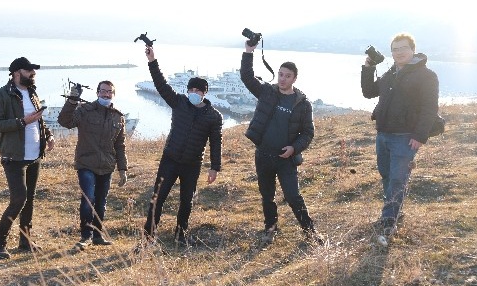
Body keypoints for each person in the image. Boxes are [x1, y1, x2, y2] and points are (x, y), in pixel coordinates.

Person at [240, 41, 323, 246]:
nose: (283, 79)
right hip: (263, 155)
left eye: (288, 76)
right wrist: (249, 52)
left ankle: (310, 231)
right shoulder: (267, 92)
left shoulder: (303, 104)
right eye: (281, 74)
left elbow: (308, 133)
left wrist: (294, 148)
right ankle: (271, 228)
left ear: (295, 78)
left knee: (293, 196)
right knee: (267, 196)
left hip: (286, 159)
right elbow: (247, 77)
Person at [361, 33, 439, 242]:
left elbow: (430, 108)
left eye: (403, 48)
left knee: (397, 178)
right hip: (383, 134)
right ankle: (395, 212)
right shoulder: (390, 74)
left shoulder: (426, 75)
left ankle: (388, 223)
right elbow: (368, 92)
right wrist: (368, 67)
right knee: (387, 176)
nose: (398, 53)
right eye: (395, 49)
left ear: (413, 50)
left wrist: (420, 135)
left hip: (405, 137)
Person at [142, 45, 222, 247]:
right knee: (157, 199)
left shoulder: (213, 116)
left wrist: (214, 167)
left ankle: (181, 235)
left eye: (198, 90)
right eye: (191, 89)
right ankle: (149, 237)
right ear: (187, 91)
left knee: (186, 201)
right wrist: (153, 61)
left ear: (204, 93)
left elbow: (215, 142)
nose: (194, 93)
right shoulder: (179, 103)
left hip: (192, 164)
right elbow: (161, 84)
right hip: (170, 159)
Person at [0, 57, 55, 259]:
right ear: (17, 73)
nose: (33, 74)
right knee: (19, 198)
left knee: (30, 200)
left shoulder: (33, 93)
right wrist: (22, 122)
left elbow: (38, 120)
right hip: (14, 156)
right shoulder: (0, 95)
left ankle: (25, 242)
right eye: (29, 71)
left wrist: (48, 135)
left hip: (35, 155)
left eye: (34, 71)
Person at [57, 80, 128, 250]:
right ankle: (85, 236)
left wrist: (123, 169)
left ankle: (97, 235)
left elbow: (120, 145)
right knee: (88, 199)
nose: (106, 94)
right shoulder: (85, 110)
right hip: (86, 163)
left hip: (107, 166)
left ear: (113, 94)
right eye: (103, 91)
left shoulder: (118, 117)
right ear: (97, 93)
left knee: (101, 202)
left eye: (109, 92)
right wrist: (73, 100)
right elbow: (64, 121)